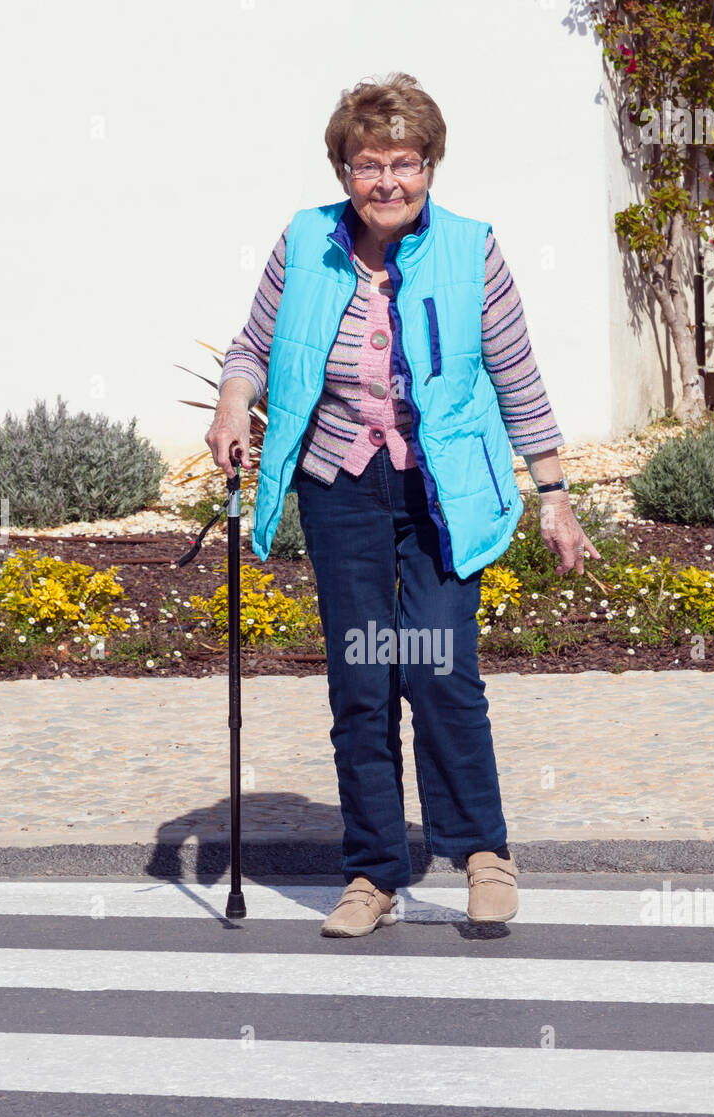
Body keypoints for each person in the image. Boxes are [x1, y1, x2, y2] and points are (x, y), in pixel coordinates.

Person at [206, 72, 598, 938]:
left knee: (436, 666)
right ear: (343, 168)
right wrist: (234, 403)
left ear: (430, 165)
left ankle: (483, 854)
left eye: (405, 162)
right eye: (367, 163)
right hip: (339, 484)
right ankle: (372, 873)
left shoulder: (470, 249)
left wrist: (555, 495)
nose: (387, 181)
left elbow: (516, 374)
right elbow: (254, 343)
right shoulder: (305, 241)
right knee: (361, 678)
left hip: (443, 489)